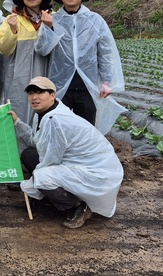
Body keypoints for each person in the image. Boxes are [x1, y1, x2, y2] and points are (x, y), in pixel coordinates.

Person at [9, 77, 123, 229]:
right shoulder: (45, 113)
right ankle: (54, 198)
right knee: (29, 155)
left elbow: (51, 159)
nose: (34, 97)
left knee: (42, 177)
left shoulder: (56, 120)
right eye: (30, 93)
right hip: (79, 165)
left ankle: (78, 206)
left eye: (39, 92)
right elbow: (36, 141)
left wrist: (30, 185)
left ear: (52, 95)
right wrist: (17, 122)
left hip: (98, 173)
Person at [35, 0, 125, 132]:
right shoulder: (53, 19)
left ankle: (84, 156)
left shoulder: (95, 20)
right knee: (55, 127)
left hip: (87, 87)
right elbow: (42, 49)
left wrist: (107, 81)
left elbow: (105, 52)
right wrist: (48, 28)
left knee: (87, 130)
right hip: (59, 86)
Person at [0, 0, 53, 128]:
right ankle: (20, 150)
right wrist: (13, 30)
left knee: (47, 116)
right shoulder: (12, 19)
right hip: (18, 80)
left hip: (47, 76)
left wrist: (49, 27)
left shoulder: (52, 17)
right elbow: (4, 49)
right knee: (18, 113)